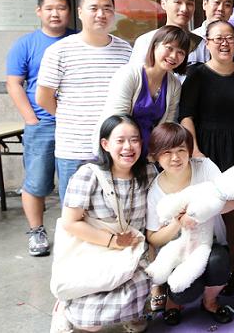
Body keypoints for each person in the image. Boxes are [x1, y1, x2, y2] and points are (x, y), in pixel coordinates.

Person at [52, 115, 155, 333]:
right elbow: (70, 222)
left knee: (140, 287)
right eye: (120, 140)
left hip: (133, 252)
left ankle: (133, 313)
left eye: (134, 140)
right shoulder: (88, 175)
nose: (128, 147)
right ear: (105, 144)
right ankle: (64, 307)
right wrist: (113, 241)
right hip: (96, 251)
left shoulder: (148, 173)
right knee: (89, 324)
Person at [37, 0, 132, 202]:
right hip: (74, 150)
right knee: (74, 213)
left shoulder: (126, 50)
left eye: (107, 8)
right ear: (80, 12)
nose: (101, 14)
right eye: (94, 8)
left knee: (114, 210)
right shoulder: (59, 51)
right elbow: (43, 98)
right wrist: (72, 118)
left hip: (114, 150)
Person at [179, 19, 234, 273]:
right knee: (205, 209)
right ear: (207, 43)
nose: (224, 43)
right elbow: (186, 116)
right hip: (205, 149)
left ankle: (230, 268)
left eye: (230, 38)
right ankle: (202, 269)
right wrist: (195, 151)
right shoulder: (197, 75)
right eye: (218, 38)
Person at [5, 0, 75, 256]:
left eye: (61, 8)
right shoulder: (25, 44)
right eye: (49, 8)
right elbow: (14, 83)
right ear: (39, 11)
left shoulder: (77, 40)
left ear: (70, 12)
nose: (55, 13)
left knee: (76, 184)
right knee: (36, 181)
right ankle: (37, 232)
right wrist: (31, 119)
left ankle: (73, 233)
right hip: (42, 124)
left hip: (75, 123)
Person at [145, 122, 233, 326]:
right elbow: (153, 238)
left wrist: (197, 213)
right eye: (167, 152)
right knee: (183, 291)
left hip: (210, 244)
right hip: (178, 251)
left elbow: (232, 200)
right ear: (156, 156)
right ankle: (174, 302)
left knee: (219, 263)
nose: (175, 158)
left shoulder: (205, 167)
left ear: (190, 150)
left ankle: (210, 301)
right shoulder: (155, 191)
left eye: (181, 150)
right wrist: (178, 221)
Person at [97, 25, 190, 157]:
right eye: (169, 48)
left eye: (181, 52)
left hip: (149, 152)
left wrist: (155, 155)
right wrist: (131, 151)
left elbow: (167, 125)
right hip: (119, 150)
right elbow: (117, 119)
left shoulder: (174, 84)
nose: (174, 56)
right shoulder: (129, 74)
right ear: (154, 46)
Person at [129, 0, 197, 65]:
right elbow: (137, 72)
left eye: (189, 3)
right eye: (178, 2)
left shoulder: (202, 43)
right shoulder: (147, 41)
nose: (184, 9)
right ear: (163, 4)